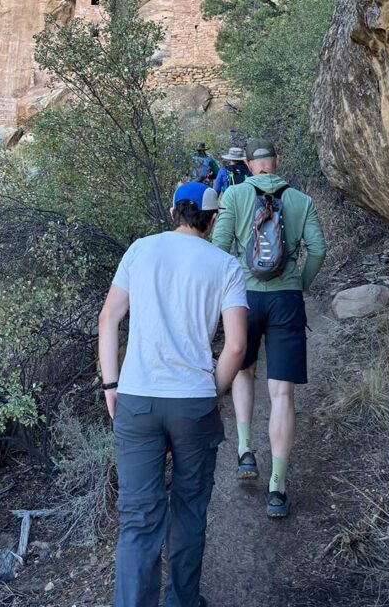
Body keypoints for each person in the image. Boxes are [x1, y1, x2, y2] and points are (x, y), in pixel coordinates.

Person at [98, 182, 248, 607]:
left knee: (138, 521)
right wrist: (212, 391)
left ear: (172, 213)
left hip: (137, 399)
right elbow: (236, 346)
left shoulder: (140, 250)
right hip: (193, 403)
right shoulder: (225, 265)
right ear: (212, 219)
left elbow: (108, 319)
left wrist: (112, 386)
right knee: (189, 510)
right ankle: (181, 601)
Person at [212, 138, 327, 520]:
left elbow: (219, 245)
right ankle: (277, 487)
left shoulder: (234, 197)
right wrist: (299, 283)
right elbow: (318, 249)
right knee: (282, 392)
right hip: (286, 299)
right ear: (276, 162)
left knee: (244, 369)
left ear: (248, 164)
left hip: (244, 297)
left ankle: (246, 451)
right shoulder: (301, 200)